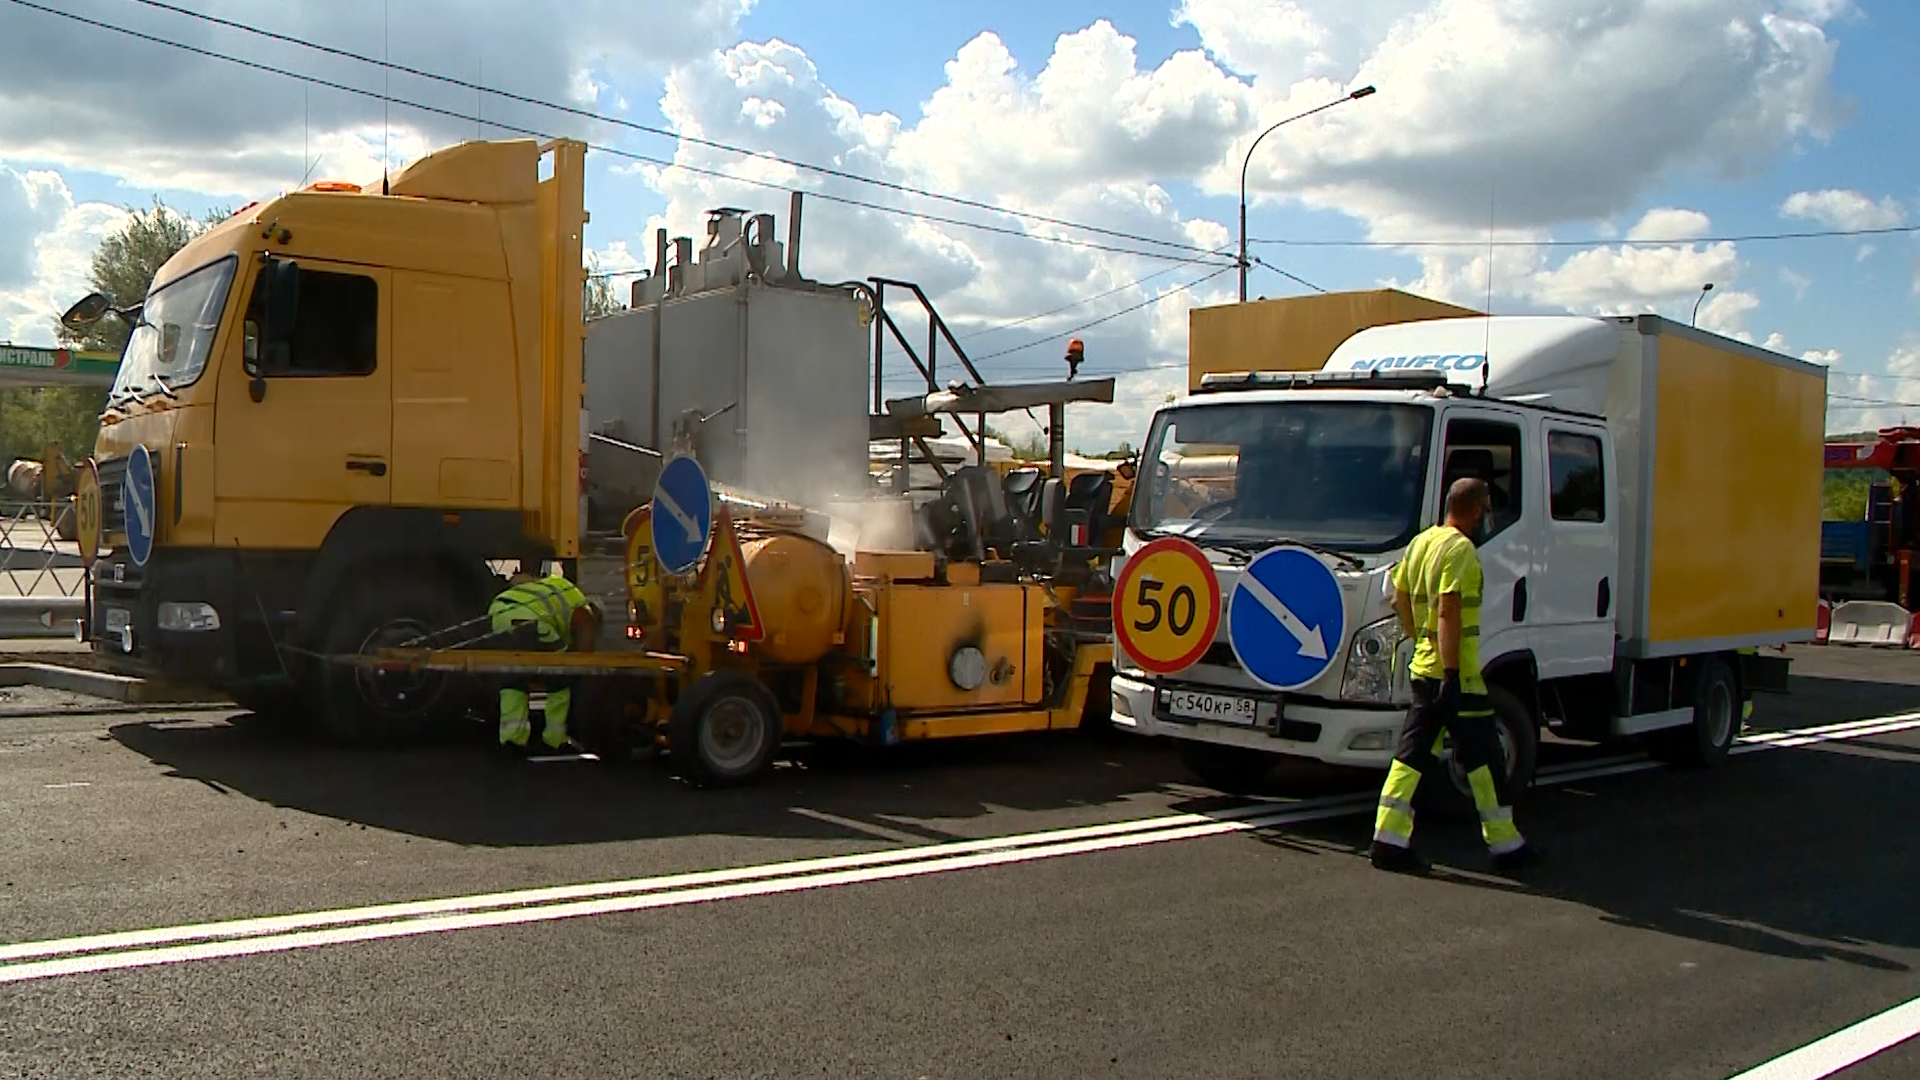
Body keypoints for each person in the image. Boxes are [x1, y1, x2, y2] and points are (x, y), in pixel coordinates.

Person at [1370, 477, 1541, 874]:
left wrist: (1421, 638)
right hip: (1457, 676)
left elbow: (1398, 598)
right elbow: (1449, 610)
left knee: (1412, 757)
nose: (1486, 518)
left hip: (1423, 670)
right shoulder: (1461, 551)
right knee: (1485, 759)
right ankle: (1506, 846)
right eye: (1485, 509)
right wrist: (1450, 671)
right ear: (1475, 509)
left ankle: (1388, 839)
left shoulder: (1422, 542)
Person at [489, 569, 598, 754]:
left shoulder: (551, 586)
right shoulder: (580, 603)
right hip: (531, 619)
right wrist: (580, 663)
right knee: (560, 677)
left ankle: (512, 740)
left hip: (498, 613)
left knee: (515, 679)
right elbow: (586, 629)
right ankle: (555, 740)